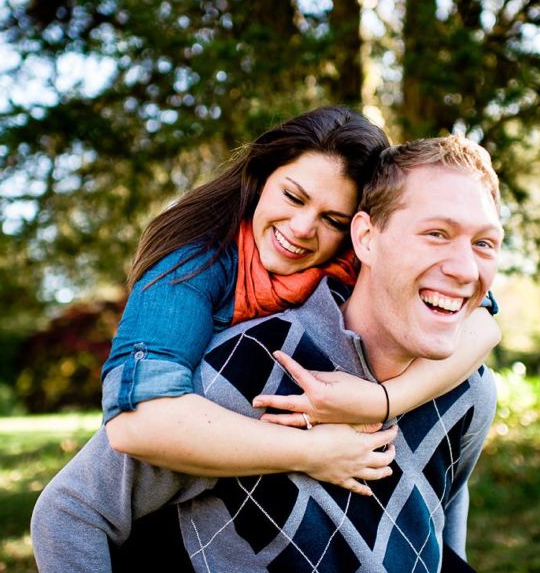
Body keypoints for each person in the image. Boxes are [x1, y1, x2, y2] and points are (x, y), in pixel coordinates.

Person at [30, 109, 501, 570]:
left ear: (355, 233)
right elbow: (137, 425)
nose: (301, 228)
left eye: (332, 219)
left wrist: (380, 401)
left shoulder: (389, 296)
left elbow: (482, 323)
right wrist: (310, 452)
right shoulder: (194, 274)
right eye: (293, 197)